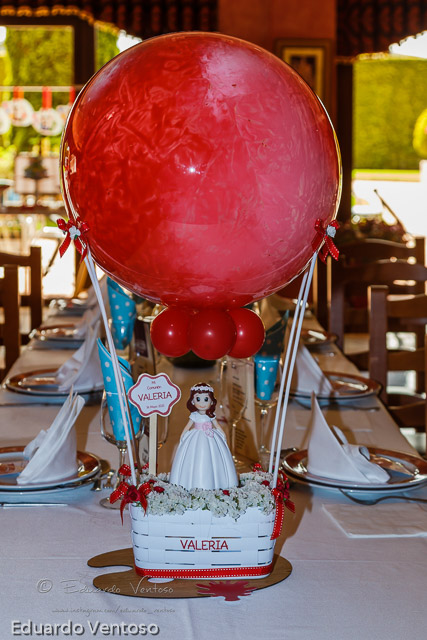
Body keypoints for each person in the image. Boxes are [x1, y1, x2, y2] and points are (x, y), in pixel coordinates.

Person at [169, 382, 238, 491]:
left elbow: (217, 425)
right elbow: (187, 426)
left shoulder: (211, 416)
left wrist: (223, 434)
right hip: (195, 436)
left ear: (212, 401)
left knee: (214, 458)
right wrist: (183, 435)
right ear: (193, 401)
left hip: (211, 436)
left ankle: (219, 482)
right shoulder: (194, 415)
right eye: (198, 399)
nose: (202, 403)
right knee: (193, 457)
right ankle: (190, 483)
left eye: (206, 399)